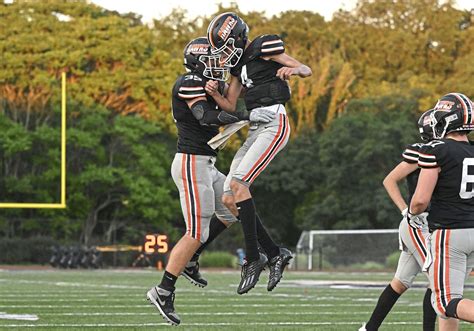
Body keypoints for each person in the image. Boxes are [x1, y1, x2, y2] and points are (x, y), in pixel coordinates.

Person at [146, 37, 277, 325]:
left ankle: (192, 260)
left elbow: (226, 102)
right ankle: (163, 290)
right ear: (197, 61)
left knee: (230, 209)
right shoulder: (188, 81)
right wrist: (246, 115)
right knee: (196, 232)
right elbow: (204, 116)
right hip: (192, 164)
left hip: (206, 164)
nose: (218, 65)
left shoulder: (206, 83)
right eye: (212, 60)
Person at [206, 12, 312, 294]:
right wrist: (215, 93)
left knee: (239, 185)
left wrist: (295, 70)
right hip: (255, 126)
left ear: (239, 38)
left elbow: (304, 68)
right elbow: (230, 105)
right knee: (229, 196)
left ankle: (253, 258)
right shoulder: (238, 67)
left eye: (226, 47)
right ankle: (274, 252)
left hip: (274, 123)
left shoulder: (263, 46)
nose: (225, 54)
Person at [360, 109, 438, 331]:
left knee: (401, 282)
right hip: (419, 223)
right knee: (437, 278)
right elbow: (389, 180)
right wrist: (405, 210)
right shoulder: (423, 152)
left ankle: (368, 328)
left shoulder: (446, 151)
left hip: (433, 225)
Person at [409, 93, 474, 329]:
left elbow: (420, 201)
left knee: (444, 301)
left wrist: (411, 213)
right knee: (453, 299)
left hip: (449, 233)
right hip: (472, 230)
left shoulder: (436, 148)